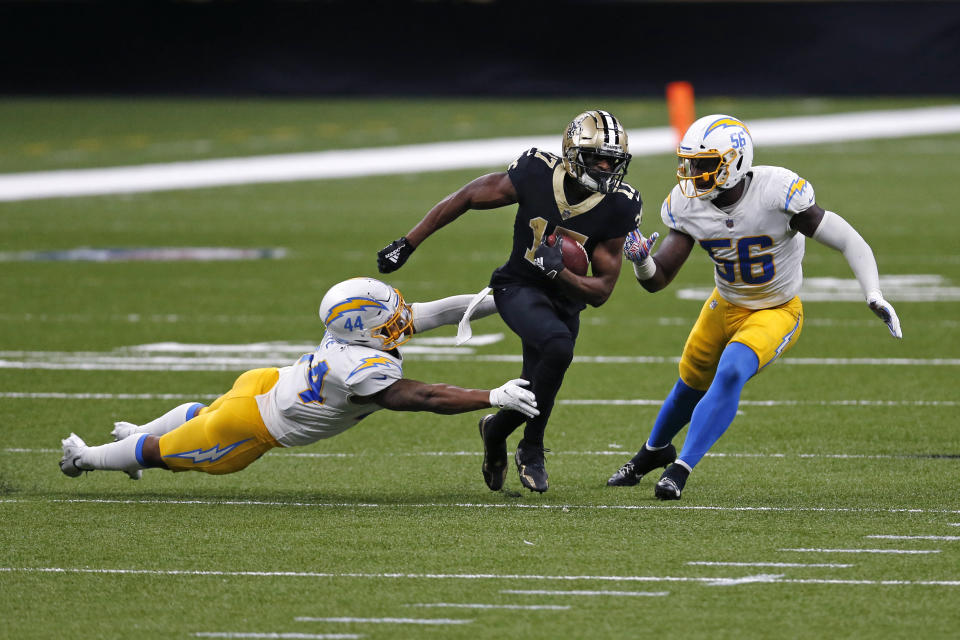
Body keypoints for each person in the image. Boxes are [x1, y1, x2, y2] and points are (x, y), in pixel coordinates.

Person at [607, 114, 902, 500]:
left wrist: (873, 292)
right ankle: (654, 451)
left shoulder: (777, 191)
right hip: (725, 303)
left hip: (777, 309)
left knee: (731, 370)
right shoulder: (688, 204)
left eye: (704, 164)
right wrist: (642, 260)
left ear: (735, 162)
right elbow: (658, 280)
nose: (693, 173)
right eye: (690, 163)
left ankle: (680, 468)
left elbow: (847, 239)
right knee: (690, 382)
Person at [377, 110, 642, 493]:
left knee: (543, 374)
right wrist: (408, 242)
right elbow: (467, 196)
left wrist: (561, 273)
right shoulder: (536, 173)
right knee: (557, 347)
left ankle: (496, 430)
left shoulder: (618, 205)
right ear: (571, 153)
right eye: (597, 157)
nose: (605, 167)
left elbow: (600, 292)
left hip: (565, 299)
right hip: (517, 286)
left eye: (613, 161)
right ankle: (531, 448)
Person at [59, 277, 536, 480]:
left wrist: (514, 297)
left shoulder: (358, 337)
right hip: (254, 425)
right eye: (388, 315)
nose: (402, 317)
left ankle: (133, 435)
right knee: (167, 452)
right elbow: (423, 396)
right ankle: (85, 458)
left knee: (202, 415)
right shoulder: (359, 365)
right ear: (364, 329)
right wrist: (491, 395)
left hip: (266, 383)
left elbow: (447, 310)